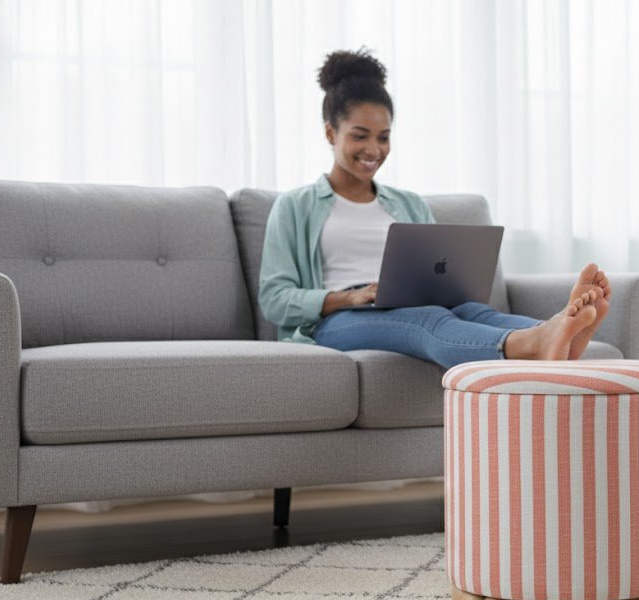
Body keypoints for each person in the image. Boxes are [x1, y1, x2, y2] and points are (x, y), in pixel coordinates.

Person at [258, 48, 612, 368]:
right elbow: (274, 299)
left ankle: (557, 331)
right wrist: (353, 295)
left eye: (384, 137)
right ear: (330, 133)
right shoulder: (295, 206)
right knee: (428, 320)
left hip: (412, 304)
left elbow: (439, 277)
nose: (374, 149)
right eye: (359, 135)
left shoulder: (407, 204)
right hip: (338, 321)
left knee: (472, 311)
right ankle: (536, 341)